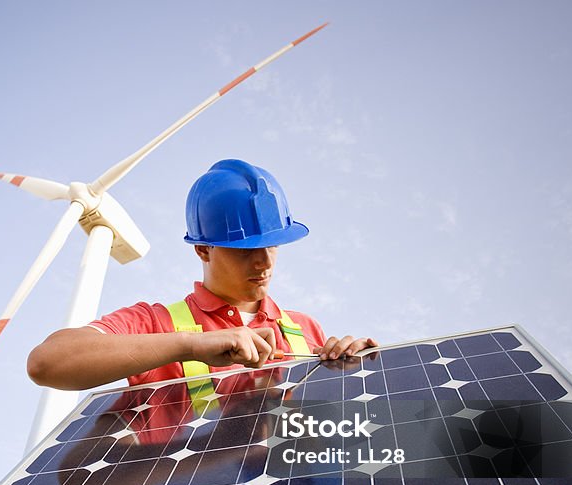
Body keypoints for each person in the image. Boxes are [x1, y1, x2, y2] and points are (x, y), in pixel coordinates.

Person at [27, 159, 377, 391]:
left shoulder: (303, 329)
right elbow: (47, 363)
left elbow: (332, 430)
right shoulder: (156, 324)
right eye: (244, 250)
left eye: (272, 245)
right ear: (202, 249)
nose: (263, 263)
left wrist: (360, 371)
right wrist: (190, 346)